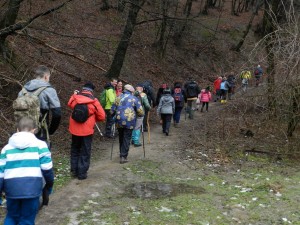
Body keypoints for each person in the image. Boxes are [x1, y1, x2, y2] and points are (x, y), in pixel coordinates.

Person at [0, 117, 54, 225]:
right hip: (32, 189)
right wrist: (49, 186)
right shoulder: (41, 145)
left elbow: (1, 173)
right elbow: (47, 169)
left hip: (11, 189)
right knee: (27, 219)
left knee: (11, 216)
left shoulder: (6, 149)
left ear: (17, 130)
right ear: (34, 130)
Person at [67, 82, 106, 180]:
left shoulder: (75, 98)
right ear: (92, 91)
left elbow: (69, 104)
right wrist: (93, 119)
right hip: (87, 130)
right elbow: (102, 116)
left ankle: (74, 171)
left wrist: (74, 94)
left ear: (83, 89)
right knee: (85, 150)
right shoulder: (94, 101)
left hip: (74, 129)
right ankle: (82, 173)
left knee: (75, 148)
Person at [19, 65, 61, 146]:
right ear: (46, 76)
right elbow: (57, 114)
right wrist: (51, 130)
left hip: (22, 131)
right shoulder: (49, 90)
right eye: (49, 77)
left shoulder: (23, 90)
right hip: (40, 133)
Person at [111, 84, 144, 164]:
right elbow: (141, 112)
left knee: (121, 137)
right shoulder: (134, 99)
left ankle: (121, 153)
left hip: (119, 121)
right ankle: (123, 156)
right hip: (129, 120)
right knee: (127, 137)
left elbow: (112, 110)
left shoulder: (118, 97)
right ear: (131, 91)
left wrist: (114, 116)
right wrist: (139, 115)